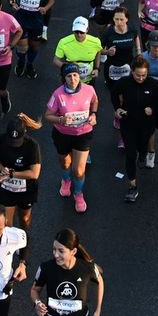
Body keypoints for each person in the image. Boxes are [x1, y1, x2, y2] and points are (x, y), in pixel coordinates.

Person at [44, 64, 98, 214]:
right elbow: (47, 115)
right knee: (65, 162)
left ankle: (79, 193)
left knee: (79, 170)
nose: (73, 79)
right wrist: (60, 120)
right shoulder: (58, 94)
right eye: (69, 76)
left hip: (83, 134)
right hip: (62, 134)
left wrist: (93, 114)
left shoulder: (89, 90)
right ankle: (66, 180)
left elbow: (95, 102)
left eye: (75, 75)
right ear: (64, 78)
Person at [114, 57, 158, 202]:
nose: (140, 78)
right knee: (130, 154)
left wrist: (152, 108)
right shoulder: (124, 82)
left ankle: (143, 154)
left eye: (144, 75)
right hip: (128, 122)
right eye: (137, 75)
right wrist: (118, 109)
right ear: (132, 72)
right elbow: (114, 94)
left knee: (142, 147)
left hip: (146, 124)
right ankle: (132, 186)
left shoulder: (153, 84)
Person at [0, 114, 44, 234]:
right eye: (11, 141)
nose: (14, 144)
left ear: (24, 132)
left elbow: (34, 173)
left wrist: (10, 174)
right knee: (7, 224)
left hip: (26, 190)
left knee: (24, 219)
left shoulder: (32, 146)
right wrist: (2, 168)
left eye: (17, 141)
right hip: (6, 188)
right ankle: (10, 247)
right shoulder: (1, 140)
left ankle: (23, 239)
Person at [8, 0, 56, 78]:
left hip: (36, 21)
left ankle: (30, 64)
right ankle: (21, 61)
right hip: (21, 19)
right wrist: (12, 2)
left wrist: (46, 8)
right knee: (22, 46)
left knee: (34, 45)